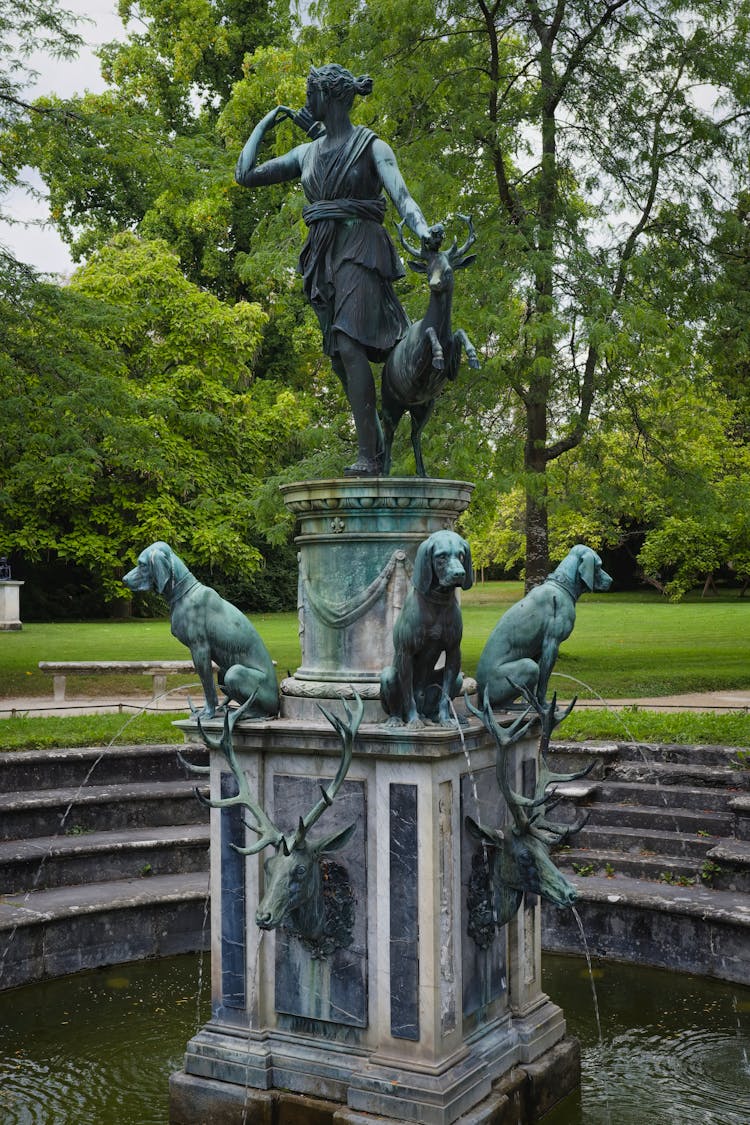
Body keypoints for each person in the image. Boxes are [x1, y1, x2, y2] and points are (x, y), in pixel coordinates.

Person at [235, 63, 442, 476]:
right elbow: (245, 175)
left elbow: (401, 195)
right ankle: (377, 446)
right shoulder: (307, 153)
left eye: (310, 94)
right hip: (322, 257)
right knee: (339, 357)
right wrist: (266, 121)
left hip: (361, 248)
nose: (304, 103)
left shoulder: (372, 147)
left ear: (327, 98)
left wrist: (422, 230)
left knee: (348, 343)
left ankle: (368, 456)